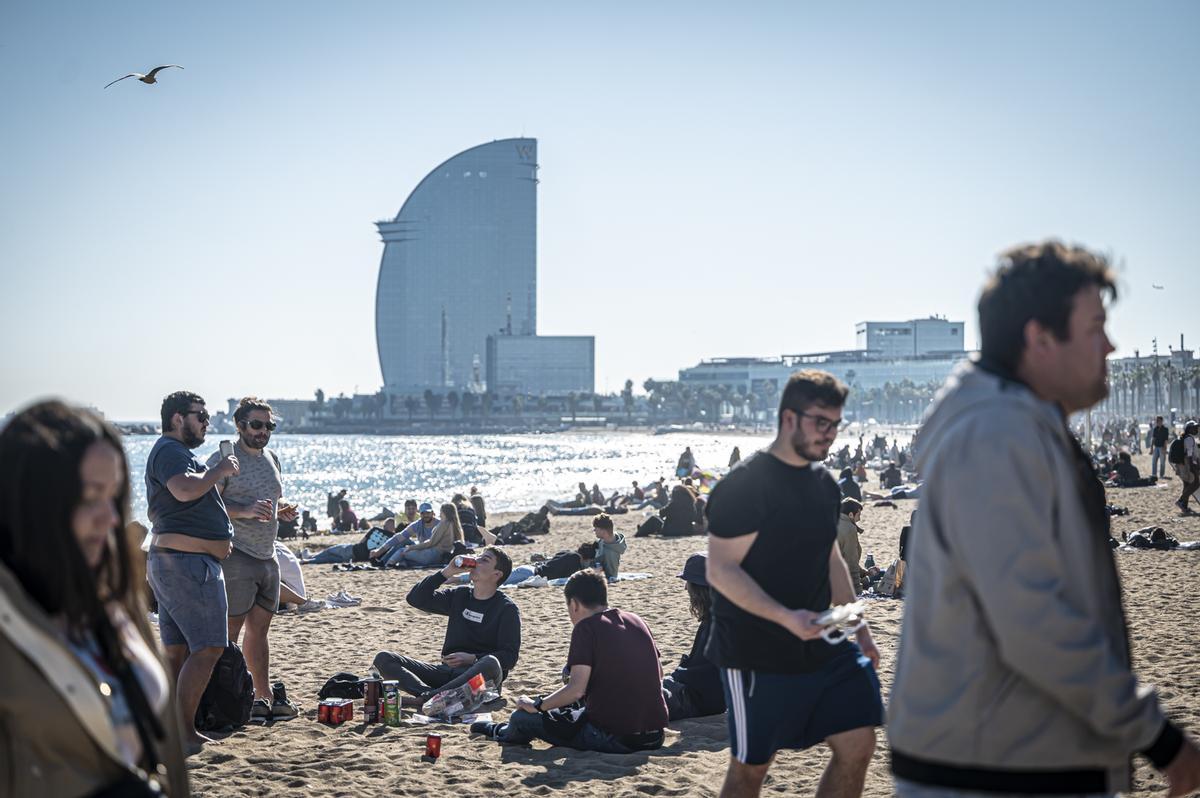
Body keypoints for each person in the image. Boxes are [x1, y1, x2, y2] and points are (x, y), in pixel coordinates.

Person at [888, 241, 1200, 796]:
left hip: (1009, 759)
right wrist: (1159, 740)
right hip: (994, 772)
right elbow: (1030, 616)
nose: (1110, 344)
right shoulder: (995, 435)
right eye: (1096, 326)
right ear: (1040, 337)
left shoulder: (1015, 424)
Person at [706, 370, 882, 798]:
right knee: (751, 770)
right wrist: (786, 617)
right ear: (789, 418)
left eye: (836, 424)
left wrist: (860, 629)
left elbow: (831, 558)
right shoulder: (745, 485)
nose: (830, 434)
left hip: (825, 638)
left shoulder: (824, 483)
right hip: (755, 650)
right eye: (821, 422)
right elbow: (721, 569)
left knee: (859, 742)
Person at [0, 401, 190, 795]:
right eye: (89, 497)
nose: (111, 518)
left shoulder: (113, 595)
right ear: (32, 504)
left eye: (114, 496)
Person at [471, 570, 668, 752]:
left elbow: (576, 690)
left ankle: (503, 731)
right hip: (655, 735)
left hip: (616, 738)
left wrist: (537, 705)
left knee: (522, 717)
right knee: (565, 703)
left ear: (574, 604)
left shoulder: (586, 628)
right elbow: (659, 674)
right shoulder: (636, 619)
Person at [144, 391, 238, 754]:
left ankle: (167, 729)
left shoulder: (180, 455)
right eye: (201, 416)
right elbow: (183, 492)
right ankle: (183, 733)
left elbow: (187, 502)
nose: (206, 423)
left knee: (178, 651)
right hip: (186, 567)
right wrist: (219, 471)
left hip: (179, 565)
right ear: (177, 418)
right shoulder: (170, 451)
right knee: (209, 648)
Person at [204, 397, 298, 721]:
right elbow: (203, 504)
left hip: (268, 554)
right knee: (229, 634)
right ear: (240, 425)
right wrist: (243, 511)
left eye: (268, 426)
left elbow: (269, 501)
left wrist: (280, 512)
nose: (263, 432)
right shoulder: (225, 457)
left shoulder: (272, 458)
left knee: (259, 632)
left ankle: (262, 696)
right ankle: (223, 698)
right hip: (236, 554)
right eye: (256, 425)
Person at [373, 547, 520, 697]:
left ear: (496, 574)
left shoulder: (506, 608)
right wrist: (446, 572)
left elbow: (510, 657)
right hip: (445, 673)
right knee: (384, 658)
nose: (476, 561)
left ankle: (432, 696)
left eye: (484, 560)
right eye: (478, 557)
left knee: (490, 662)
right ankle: (429, 695)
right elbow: (415, 599)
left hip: (478, 680)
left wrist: (472, 659)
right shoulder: (460, 595)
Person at [662, 553, 725, 721]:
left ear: (700, 588)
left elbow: (704, 675)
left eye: (688, 583)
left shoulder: (717, 625)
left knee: (639, 697)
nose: (685, 588)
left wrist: (676, 676)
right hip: (697, 694)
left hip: (697, 699)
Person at [384, 502, 462, 568]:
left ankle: (387, 566)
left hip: (433, 554)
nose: (440, 513)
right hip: (440, 556)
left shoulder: (443, 524)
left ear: (445, 512)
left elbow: (431, 543)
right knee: (406, 559)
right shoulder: (453, 524)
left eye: (441, 511)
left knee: (401, 551)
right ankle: (402, 564)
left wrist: (411, 547)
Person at [371, 501, 437, 563]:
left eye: (428, 513)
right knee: (401, 540)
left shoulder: (439, 524)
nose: (426, 515)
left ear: (433, 513)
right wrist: (379, 551)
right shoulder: (417, 524)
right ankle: (383, 561)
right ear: (420, 514)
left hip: (434, 552)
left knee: (403, 552)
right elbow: (399, 537)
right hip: (421, 549)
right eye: (423, 513)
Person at [504, 542, 597, 585]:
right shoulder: (575, 560)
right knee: (498, 580)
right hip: (530, 574)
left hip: (529, 569)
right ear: (587, 558)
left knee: (500, 578)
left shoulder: (568, 552)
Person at [836, 498, 865, 593]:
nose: (859, 519)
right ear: (851, 515)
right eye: (858, 515)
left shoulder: (835, 521)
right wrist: (857, 588)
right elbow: (851, 561)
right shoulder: (849, 528)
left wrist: (864, 572)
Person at [592, 514, 627, 580]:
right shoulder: (606, 539)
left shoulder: (611, 553)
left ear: (603, 531)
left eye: (596, 529)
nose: (594, 531)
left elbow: (611, 577)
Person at [1175, 421, 1200, 513]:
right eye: (1194, 428)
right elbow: (1189, 455)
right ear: (1189, 429)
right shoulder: (1189, 439)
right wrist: (1193, 467)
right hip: (1187, 465)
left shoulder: (1187, 438)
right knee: (1196, 483)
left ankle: (1184, 506)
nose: (1196, 429)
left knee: (1187, 485)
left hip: (1183, 464)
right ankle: (1181, 501)